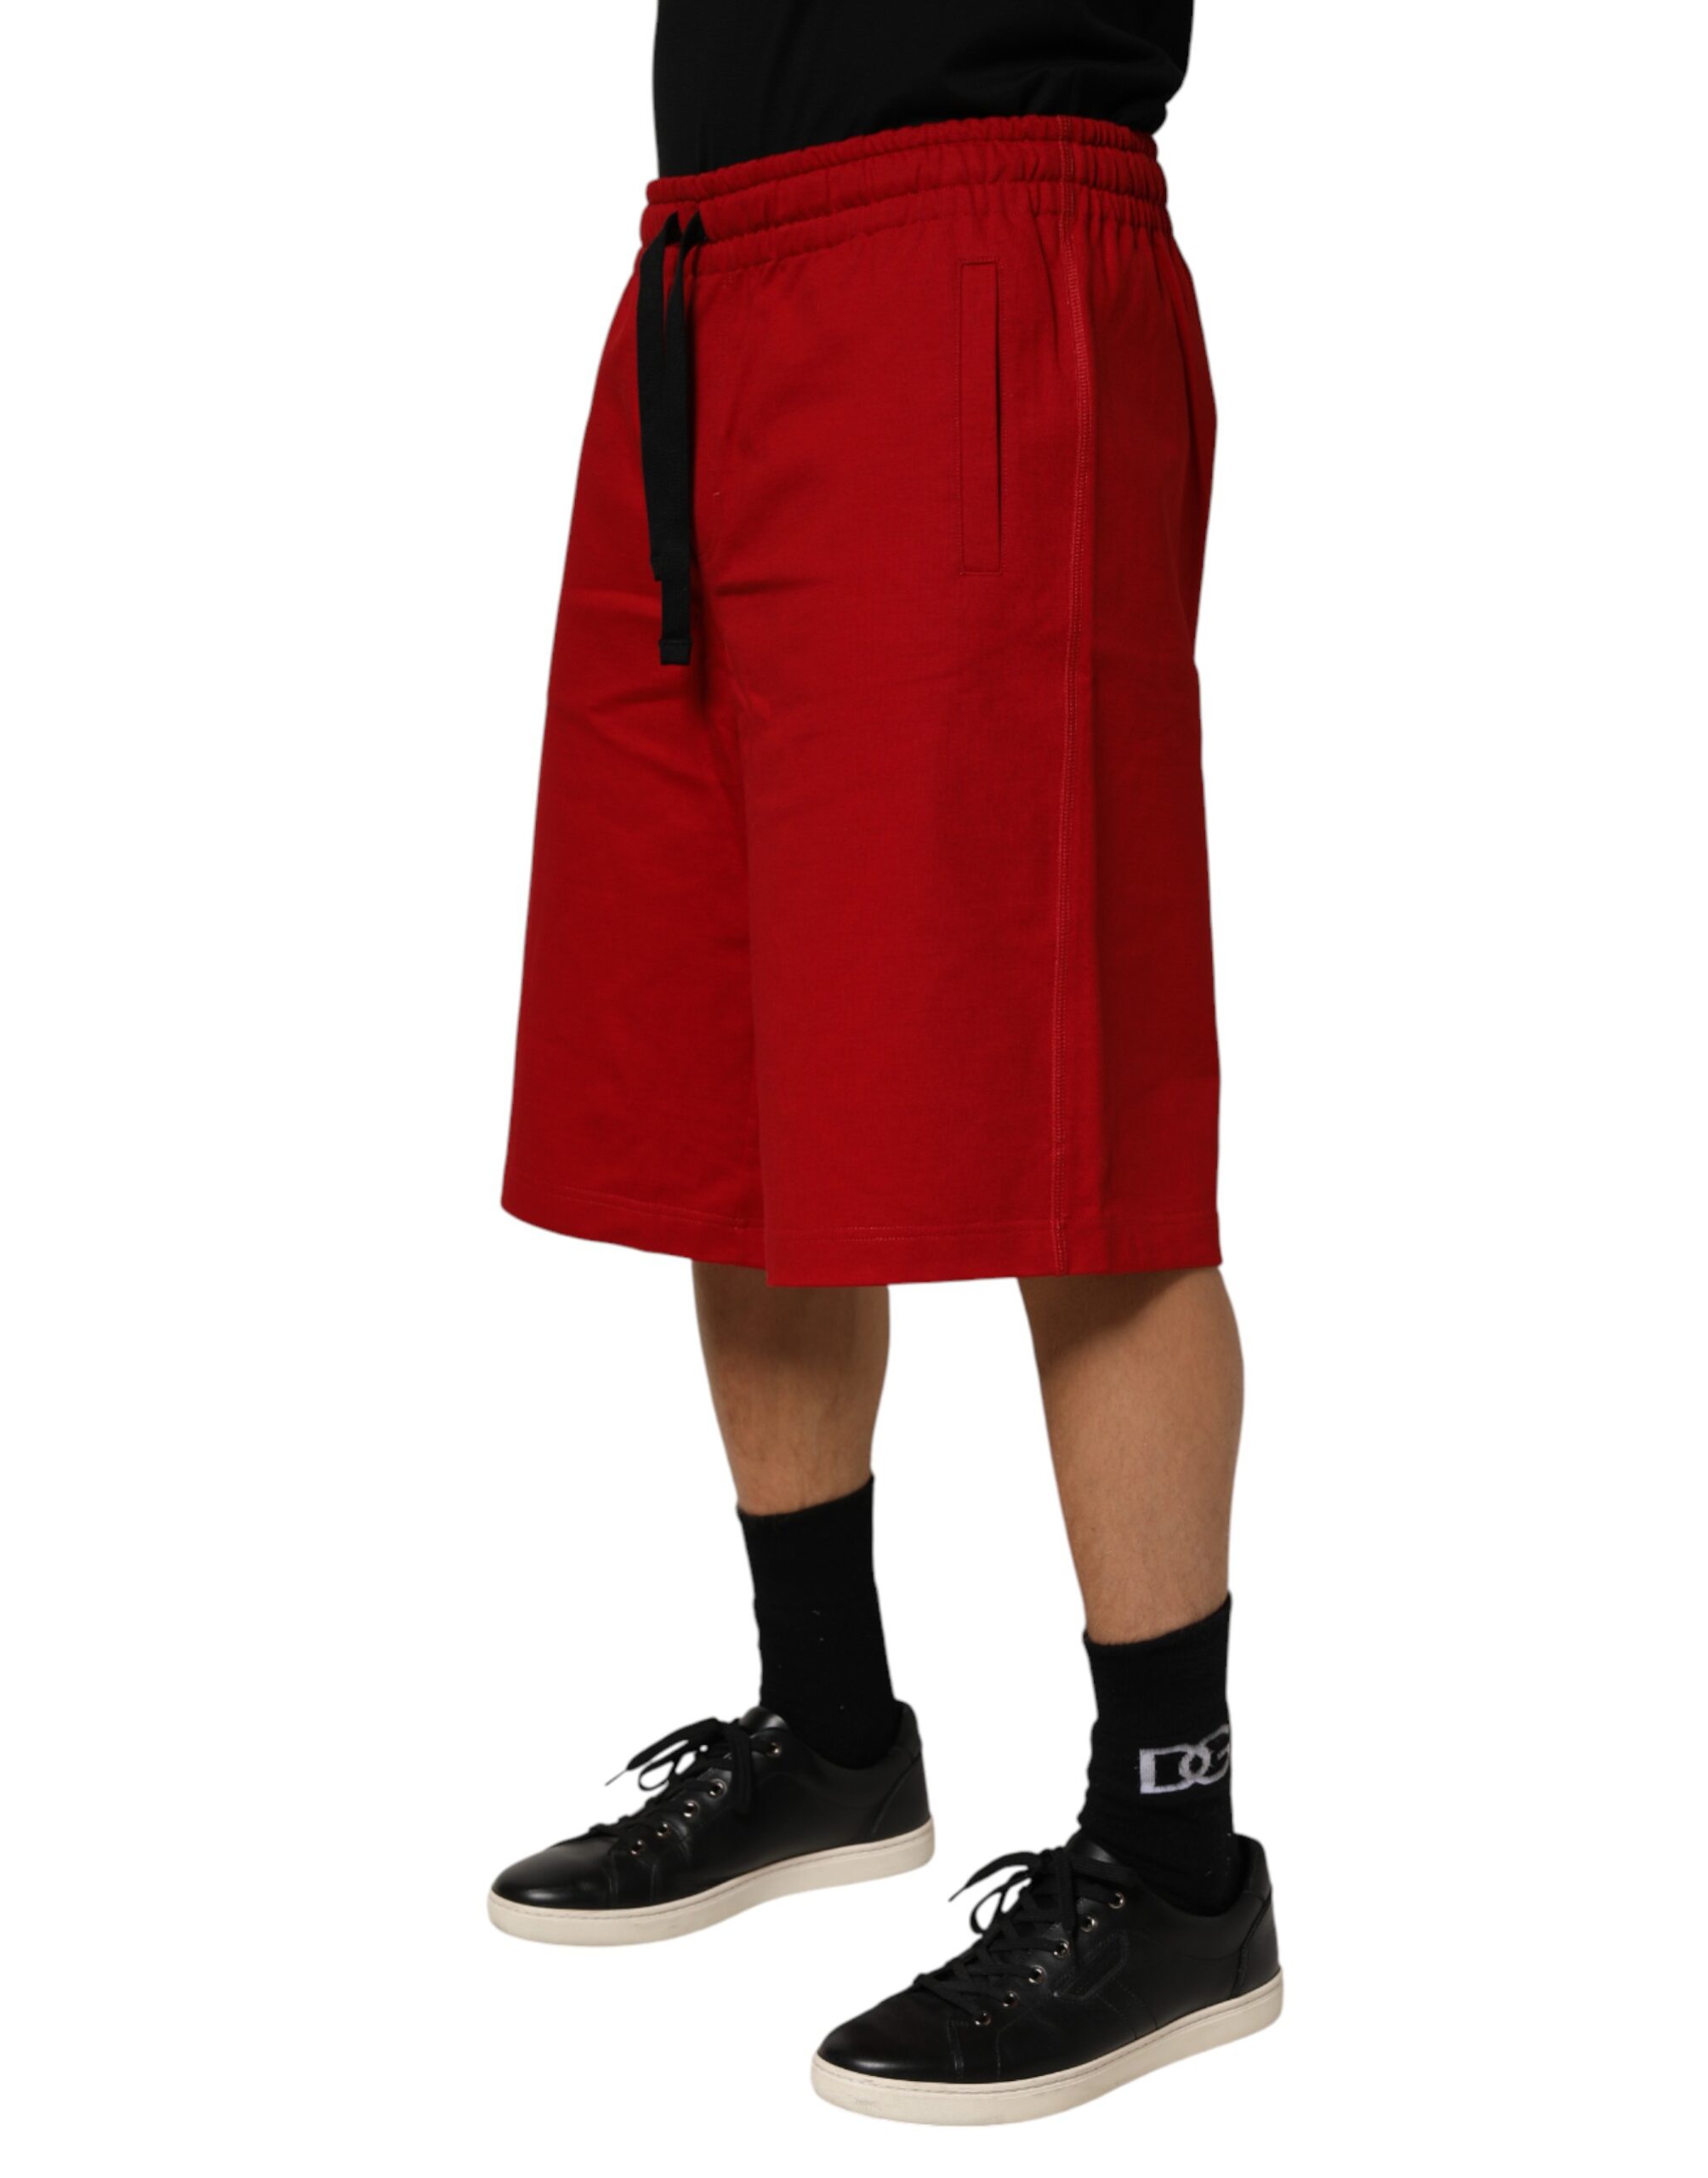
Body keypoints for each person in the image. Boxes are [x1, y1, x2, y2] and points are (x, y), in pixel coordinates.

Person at [489, 0, 1280, 2124]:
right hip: (707, 270)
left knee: (1066, 1099)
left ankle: (1172, 1857)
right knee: (727, 1068)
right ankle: (827, 1732)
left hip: (978, 249)